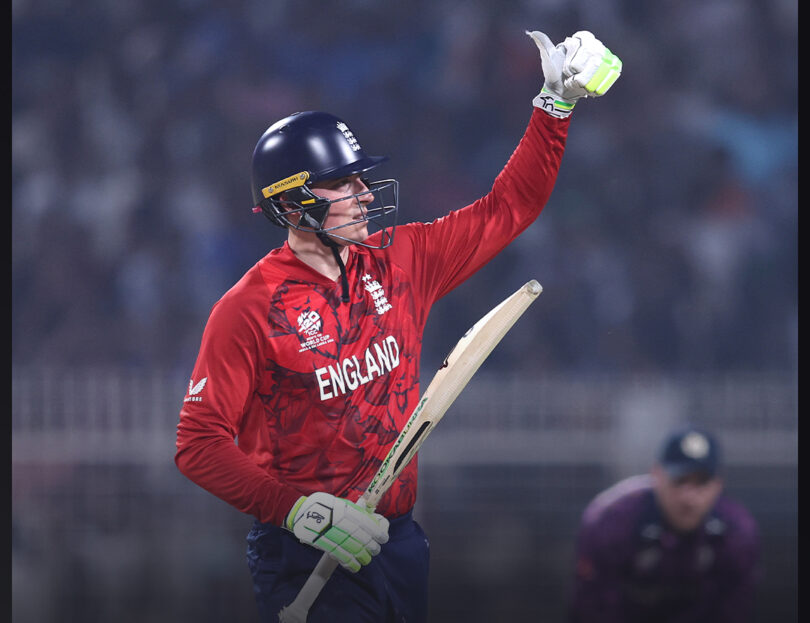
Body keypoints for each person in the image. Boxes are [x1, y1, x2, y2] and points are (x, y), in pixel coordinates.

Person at [175, 29, 622, 623]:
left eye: (360, 178)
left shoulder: (402, 259)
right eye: (343, 182)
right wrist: (296, 511)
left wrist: (554, 106)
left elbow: (509, 208)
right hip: (303, 551)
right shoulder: (248, 309)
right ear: (290, 203)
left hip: (399, 541)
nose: (363, 193)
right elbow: (198, 444)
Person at [568, 425, 761, 623]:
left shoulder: (737, 531)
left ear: (718, 485)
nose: (689, 497)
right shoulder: (611, 520)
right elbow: (592, 608)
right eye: (679, 480)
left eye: (701, 483)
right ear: (656, 475)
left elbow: (735, 610)